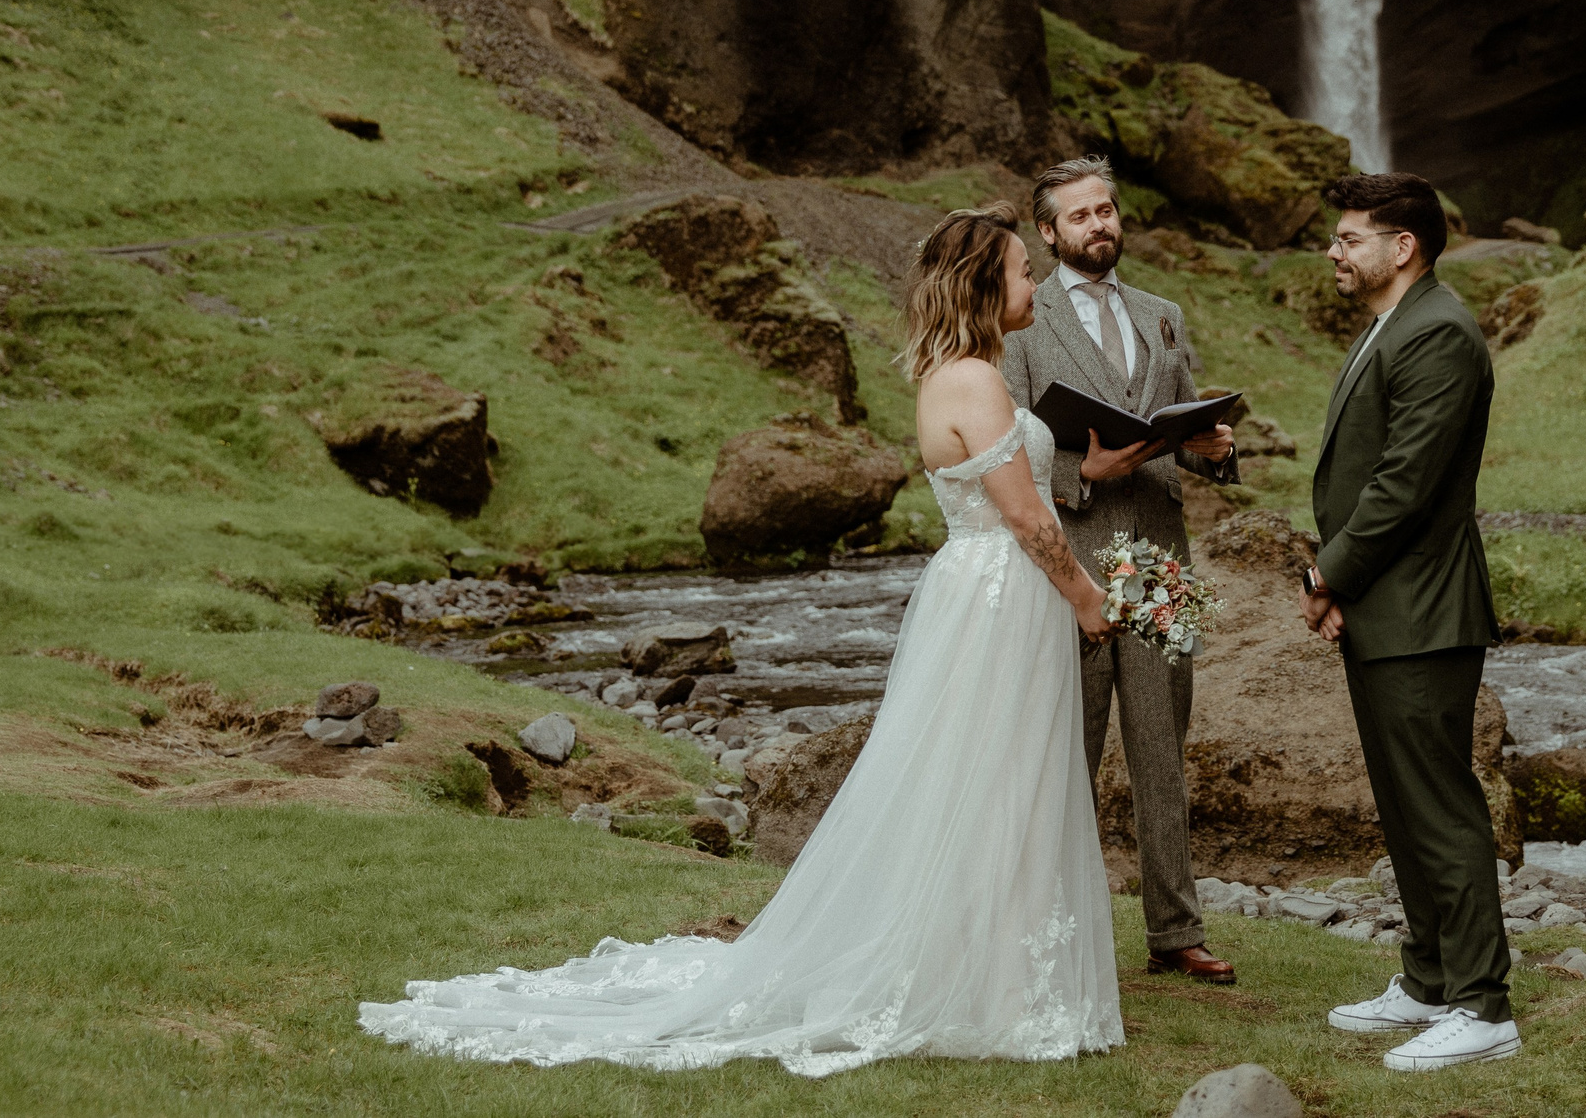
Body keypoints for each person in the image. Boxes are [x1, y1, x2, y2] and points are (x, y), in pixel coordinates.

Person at [356, 205, 1123, 1077]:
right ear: (987, 284)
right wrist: (1088, 596)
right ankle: (982, 982)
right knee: (989, 779)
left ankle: (1001, 973)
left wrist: (1092, 472)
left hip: (994, 594)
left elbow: (1019, 488)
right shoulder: (975, 381)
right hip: (997, 596)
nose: (1035, 282)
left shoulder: (973, 374)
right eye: (1024, 270)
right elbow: (1024, 517)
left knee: (1004, 779)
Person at [1000, 156, 1240, 984]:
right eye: (1080, 216)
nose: (1099, 225)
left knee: (1162, 748)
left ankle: (1176, 930)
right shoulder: (1021, 324)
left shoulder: (1161, 316)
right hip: (1071, 564)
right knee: (1068, 746)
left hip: (1161, 560)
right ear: (1048, 231)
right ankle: (1050, 926)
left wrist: (1215, 450)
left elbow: (1178, 439)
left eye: (1106, 210)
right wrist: (1079, 476)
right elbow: (1006, 455)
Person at [1298, 171, 1513, 1072]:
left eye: (1351, 238)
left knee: (1441, 806)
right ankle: (1427, 979)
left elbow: (1403, 484)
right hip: (1389, 605)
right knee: (1403, 804)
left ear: (1404, 247)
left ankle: (1483, 1005)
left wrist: (1326, 572)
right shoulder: (1397, 323)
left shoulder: (1440, 333)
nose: (1336, 252)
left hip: (1423, 607)